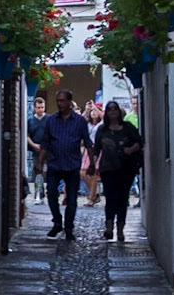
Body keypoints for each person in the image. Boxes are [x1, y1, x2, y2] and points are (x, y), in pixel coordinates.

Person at [42, 89, 91, 240]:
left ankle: (69, 227)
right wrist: (39, 162)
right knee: (51, 193)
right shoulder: (51, 120)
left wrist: (92, 163)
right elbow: (45, 142)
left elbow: (88, 143)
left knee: (71, 199)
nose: (59, 103)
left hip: (72, 164)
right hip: (55, 163)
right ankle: (57, 221)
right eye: (58, 101)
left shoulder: (80, 121)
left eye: (62, 100)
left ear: (70, 102)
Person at [93, 100, 143, 242]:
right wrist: (93, 163)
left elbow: (139, 142)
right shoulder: (102, 130)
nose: (113, 111)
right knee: (110, 198)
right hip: (108, 168)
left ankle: (120, 229)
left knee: (122, 198)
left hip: (126, 167)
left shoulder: (128, 128)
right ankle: (109, 227)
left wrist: (130, 149)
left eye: (115, 109)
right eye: (109, 109)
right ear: (107, 113)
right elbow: (97, 148)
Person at [26, 94, 49, 202]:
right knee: (37, 172)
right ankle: (38, 193)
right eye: (38, 107)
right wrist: (33, 145)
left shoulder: (49, 119)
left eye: (42, 107)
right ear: (35, 108)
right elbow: (27, 136)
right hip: (36, 150)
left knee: (50, 171)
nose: (40, 109)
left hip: (49, 150)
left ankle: (50, 193)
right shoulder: (30, 121)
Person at [82, 98, 105, 205]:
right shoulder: (87, 123)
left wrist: (96, 107)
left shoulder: (102, 124)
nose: (93, 112)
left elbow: (105, 117)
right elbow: (80, 120)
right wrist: (87, 110)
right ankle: (95, 194)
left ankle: (91, 198)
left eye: (96, 111)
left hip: (97, 149)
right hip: (88, 149)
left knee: (94, 174)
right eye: (92, 111)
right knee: (82, 172)